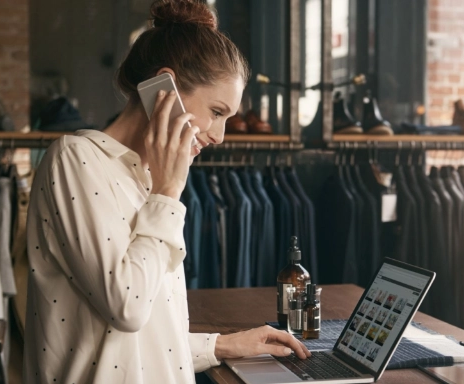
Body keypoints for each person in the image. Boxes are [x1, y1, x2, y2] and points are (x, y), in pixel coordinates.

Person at [23, 1, 310, 382]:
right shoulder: (76, 160)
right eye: (217, 111)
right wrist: (169, 191)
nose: (220, 136)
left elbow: (141, 342)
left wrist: (222, 345)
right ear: (165, 89)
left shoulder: (147, 177)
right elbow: (127, 306)